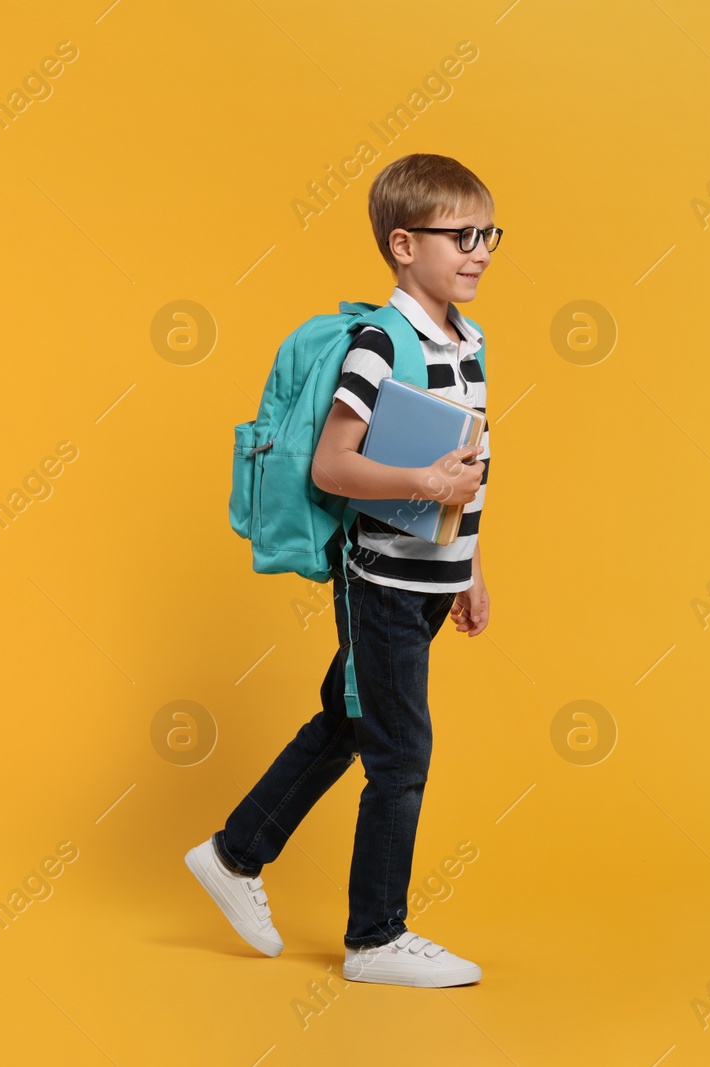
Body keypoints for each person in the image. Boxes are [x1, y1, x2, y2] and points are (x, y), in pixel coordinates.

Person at [185, 152, 498, 988]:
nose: (479, 249)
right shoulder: (378, 342)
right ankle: (375, 938)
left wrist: (467, 564)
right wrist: (421, 483)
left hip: (432, 580)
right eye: (459, 234)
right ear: (403, 244)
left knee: (348, 722)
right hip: (383, 583)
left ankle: (233, 853)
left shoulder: (468, 339)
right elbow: (333, 466)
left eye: (488, 234)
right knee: (401, 752)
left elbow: (465, 464)